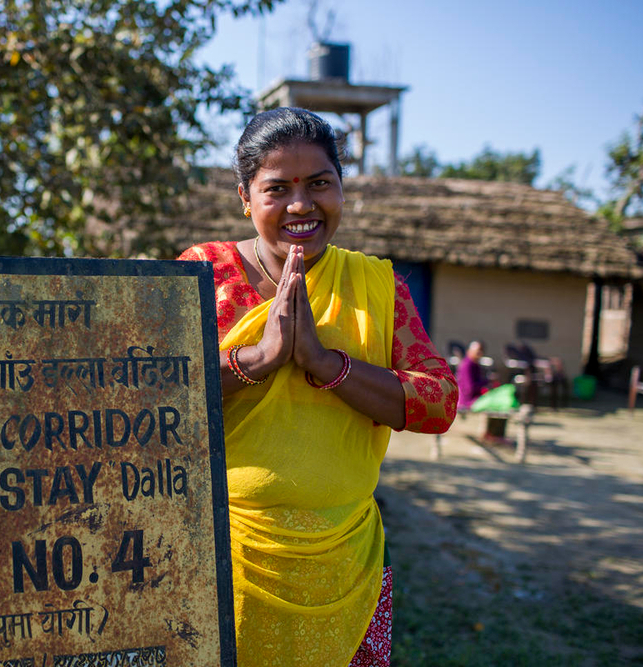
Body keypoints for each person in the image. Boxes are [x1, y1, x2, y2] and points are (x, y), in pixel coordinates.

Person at [177, 108, 457, 667]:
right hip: (223, 553)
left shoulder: (377, 285)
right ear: (245, 197)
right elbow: (153, 392)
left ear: (341, 189)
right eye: (277, 189)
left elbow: (438, 402)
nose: (301, 205)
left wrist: (329, 367)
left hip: (346, 560)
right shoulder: (205, 273)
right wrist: (258, 359)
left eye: (320, 184)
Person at [456, 340, 489, 409]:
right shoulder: (467, 365)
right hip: (467, 402)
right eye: (478, 351)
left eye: (481, 351)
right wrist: (486, 382)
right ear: (469, 352)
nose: (480, 353)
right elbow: (469, 389)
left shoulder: (475, 365)